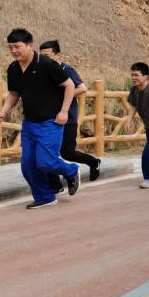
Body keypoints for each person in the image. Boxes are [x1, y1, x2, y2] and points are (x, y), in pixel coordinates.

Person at [0, 29, 80, 209]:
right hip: (29, 123)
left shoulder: (46, 64)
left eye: (17, 46)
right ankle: (45, 196)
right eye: (10, 47)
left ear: (30, 45)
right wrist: (3, 111)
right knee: (28, 165)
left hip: (50, 122)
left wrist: (64, 111)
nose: (14, 51)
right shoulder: (13, 68)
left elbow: (69, 85)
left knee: (46, 161)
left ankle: (72, 171)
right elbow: (14, 94)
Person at [38, 40, 102, 193]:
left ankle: (93, 162)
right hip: (50, 118)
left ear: (58, 55)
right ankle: (56, 186)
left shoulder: (66, 69)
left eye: (47, 56)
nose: (44, 59)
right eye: (41, 56)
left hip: (68, 118)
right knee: (48, 153)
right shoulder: (44, 71)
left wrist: (61, 96)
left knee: (68, 153)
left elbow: (83, 88)